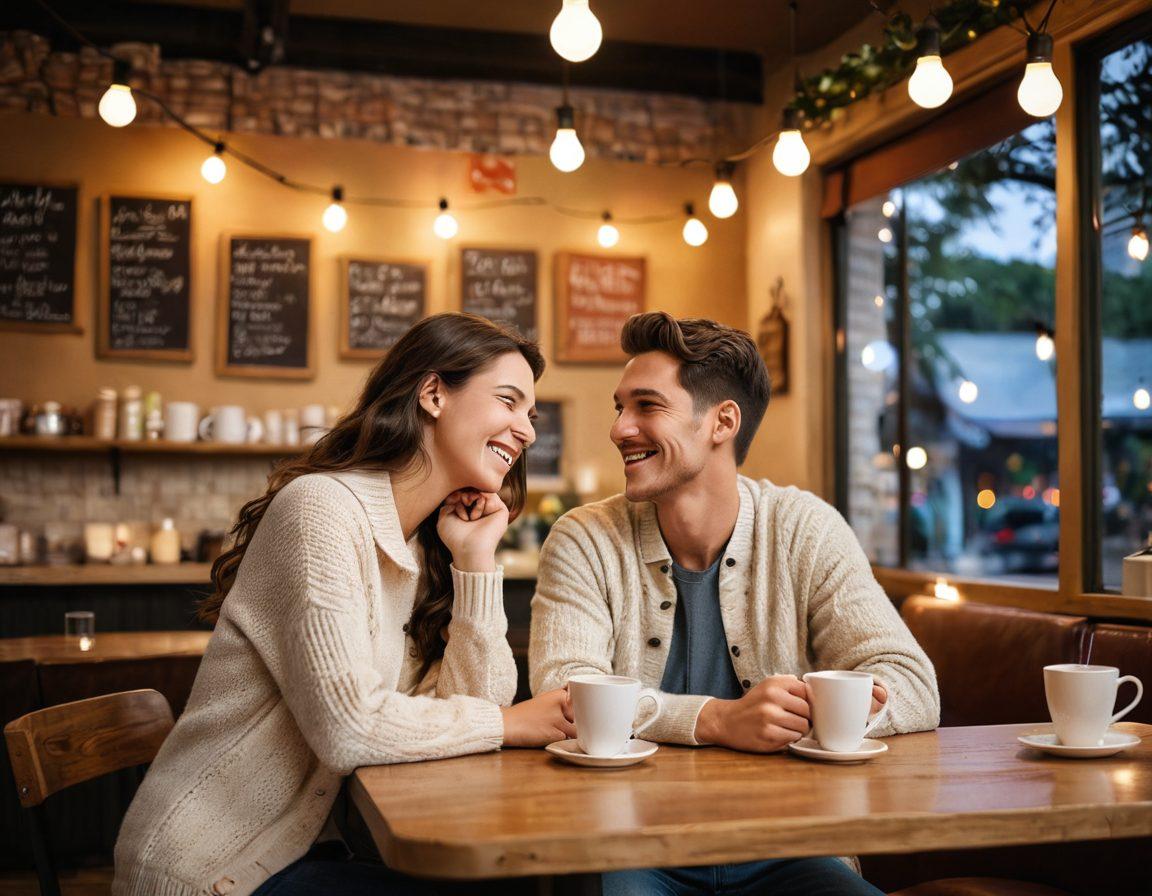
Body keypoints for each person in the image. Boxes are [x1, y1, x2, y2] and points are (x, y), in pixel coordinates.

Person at [114, 313, 575, 896]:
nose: (527, 431)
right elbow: (348, 726)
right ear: (433, 394)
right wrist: (507, 724)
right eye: (509, 402)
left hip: (299, 854)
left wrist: (476, 561)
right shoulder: (321, 511)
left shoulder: (416, 543)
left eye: (530, 416)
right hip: (208, 868)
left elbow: (471, 709)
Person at [529, 311, 940, 896]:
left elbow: (914, 685)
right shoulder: (584, 538)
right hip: (625, 843)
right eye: (620, 408)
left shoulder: (806, 528)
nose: (620, 428)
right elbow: (564, 691)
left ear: (722, 421)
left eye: (646, 406)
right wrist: (719, 720)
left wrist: (817, 711)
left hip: (788, 843)